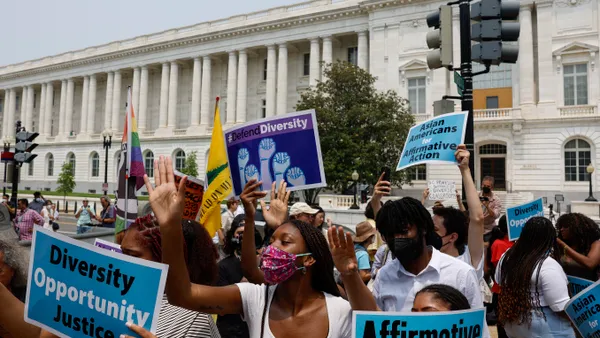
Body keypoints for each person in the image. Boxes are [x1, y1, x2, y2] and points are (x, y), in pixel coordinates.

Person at [144, 156, 352, 338]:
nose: (272, 250)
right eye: (271, 242)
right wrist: (170, 227)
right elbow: (182, 295)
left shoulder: (340, 311)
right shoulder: (255, 298)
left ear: (309, 259)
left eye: (284, 242)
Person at [496, 217, 575, 338]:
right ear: (550, 239)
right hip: (544, 326)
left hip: (513, 323)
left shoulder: (506, 256)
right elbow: (560, 306)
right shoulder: (547, 265)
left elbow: (499, 280)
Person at [432, 145, 485, 280]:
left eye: (435, 230)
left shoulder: (469, 260)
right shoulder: (427, 263)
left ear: (452, 237)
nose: (429, 234)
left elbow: (477, 219)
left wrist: (465, 170)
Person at [217, 214, 261, 338]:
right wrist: (240, 288)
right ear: (233, 237)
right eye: (240, 233)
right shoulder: (223, 266)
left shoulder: (264, 263)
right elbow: (220, 306)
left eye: (248, 233)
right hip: (232, 329)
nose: (244, 237)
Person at [487, 215, 512, 338]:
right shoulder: (499, 244)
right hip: (503, 291)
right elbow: (500, 270)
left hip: (519, 291)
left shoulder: (520, 243)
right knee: (504, 327)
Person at [556, 212, 600, 281]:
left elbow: (590, 264)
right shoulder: (561, 247)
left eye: (565, 226)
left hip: (588, 290)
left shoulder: (595, 244)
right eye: (560, 227)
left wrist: (562, 244)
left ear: (577, 228)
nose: (561, 229)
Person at [480, 176, 502, 241]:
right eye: (484, 185)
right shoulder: (477, 195)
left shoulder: (496, 199)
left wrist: (487, 207)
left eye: (488, 186)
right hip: (477, 230)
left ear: (492, 188)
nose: (486, 187)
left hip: (488, 231)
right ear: (481, 185)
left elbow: (496, 215)